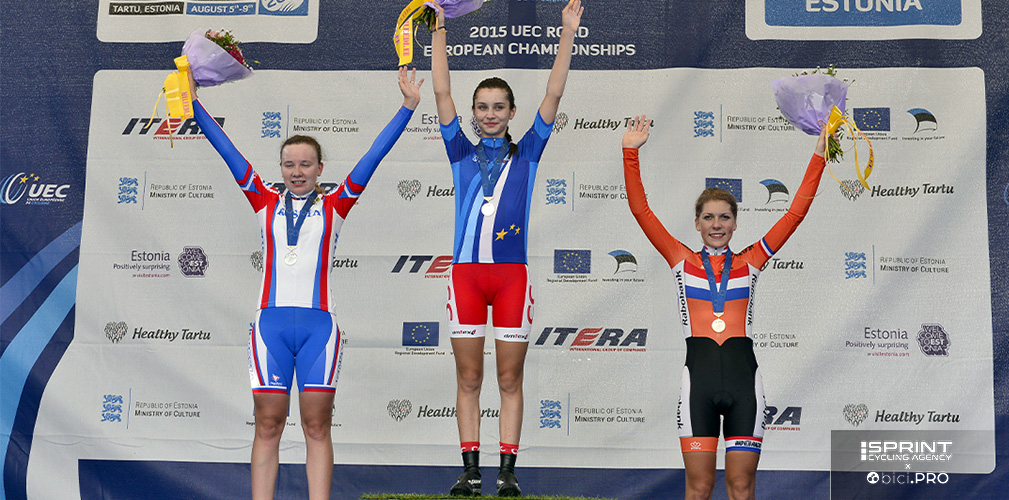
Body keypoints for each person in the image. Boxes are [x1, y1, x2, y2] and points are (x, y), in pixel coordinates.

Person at [190, 68, 423, 500]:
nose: (297, 172)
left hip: (320, 330)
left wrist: (408, 107)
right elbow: (227, 149)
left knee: (317, 426)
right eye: (289, 164)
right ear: (280, 167)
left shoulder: (337, 204)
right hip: (270, 327)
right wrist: (192, 103)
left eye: (305, 164)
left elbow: (373, 156)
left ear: (320, 168)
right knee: (268, 424)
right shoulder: (263, 199)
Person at [621, 115, 827, 500]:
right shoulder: (681, 260)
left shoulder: (751, 261)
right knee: (699, 488)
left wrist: (820, 154)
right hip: (697, 383)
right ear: (697, 223)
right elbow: (640, 210)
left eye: (725, 217)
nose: (716, 224)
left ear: (735, 224)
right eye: (709, 217)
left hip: (743, 381)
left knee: (741, 487)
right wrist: (629, 152)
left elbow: (795, 213)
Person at [429, 0, 583, 496]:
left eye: (499, 107)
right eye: (482, 107)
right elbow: (441, 90)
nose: (490, 114)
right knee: (469, 377)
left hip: (512, 276)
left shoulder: (529, 151)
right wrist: (438, 29)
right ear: (473, 113)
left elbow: (554, 91)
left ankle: (508, 472)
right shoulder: (459, 151)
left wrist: (567, 32)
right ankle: (471, 470)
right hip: (466, 277)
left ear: (512, 112)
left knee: (510, 378)